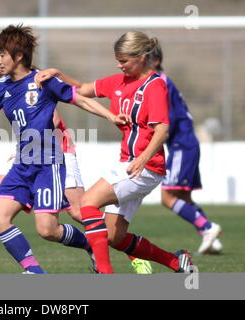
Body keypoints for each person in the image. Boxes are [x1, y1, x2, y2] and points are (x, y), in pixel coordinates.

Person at [0, 25, 129, 274]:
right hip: (21, 164)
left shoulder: (43, 81)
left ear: (18, 56)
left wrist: (110, 115)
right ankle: (34, 271)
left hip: (47, 163)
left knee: (47, 230)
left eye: (3, 55)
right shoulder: (0, 87)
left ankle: (94, 246)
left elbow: (79, 98)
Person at [35, 31, 195, 274]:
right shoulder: (119, 81)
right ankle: (176, 262)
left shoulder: (155, 85)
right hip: (130, 165)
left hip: (144, 166)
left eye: (124, 61)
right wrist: (58, 74)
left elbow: (162, 130)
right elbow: (83, 89)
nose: (119, 65)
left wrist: (141, 159)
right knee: (113, 237)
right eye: (118, 60)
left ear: (141, 57)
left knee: (87, 202)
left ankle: (105, 274)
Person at [149, 43, 222, 255]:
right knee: (184, 199)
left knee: (167, 198)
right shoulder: (163, 82)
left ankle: (208, 228)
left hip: (182, 146)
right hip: (185, 144)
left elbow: (167, 120)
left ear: (155, 61)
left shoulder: (160, 83)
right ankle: (210, 235)